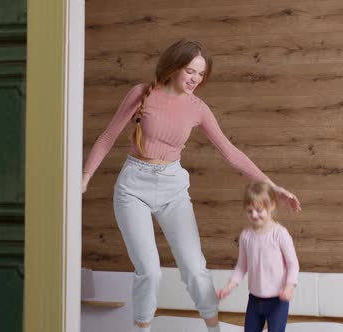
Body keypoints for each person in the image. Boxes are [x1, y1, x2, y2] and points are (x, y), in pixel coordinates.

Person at [82, 39, 301, 332]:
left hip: (173, 187)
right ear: (174, 66)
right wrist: (83, 179)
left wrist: (273, 187)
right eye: (190, 71)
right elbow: (108, 137)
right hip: (133, 186)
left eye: (201, 74)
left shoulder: (198, 109)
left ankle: (213, 329)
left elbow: (232, 153)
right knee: (149, 271)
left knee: (195, 269)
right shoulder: (141, 93)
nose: (195, 79)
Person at [217, 182, 300, 332]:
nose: (254, 215)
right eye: (249, 211)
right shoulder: (246, 236)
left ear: (272, 206)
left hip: (277, 301)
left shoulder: (279, 234)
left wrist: (289, 286)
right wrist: (229, 286)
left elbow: (293, 264)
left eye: (259, 210)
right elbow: (242, 266)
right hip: (255, 300)